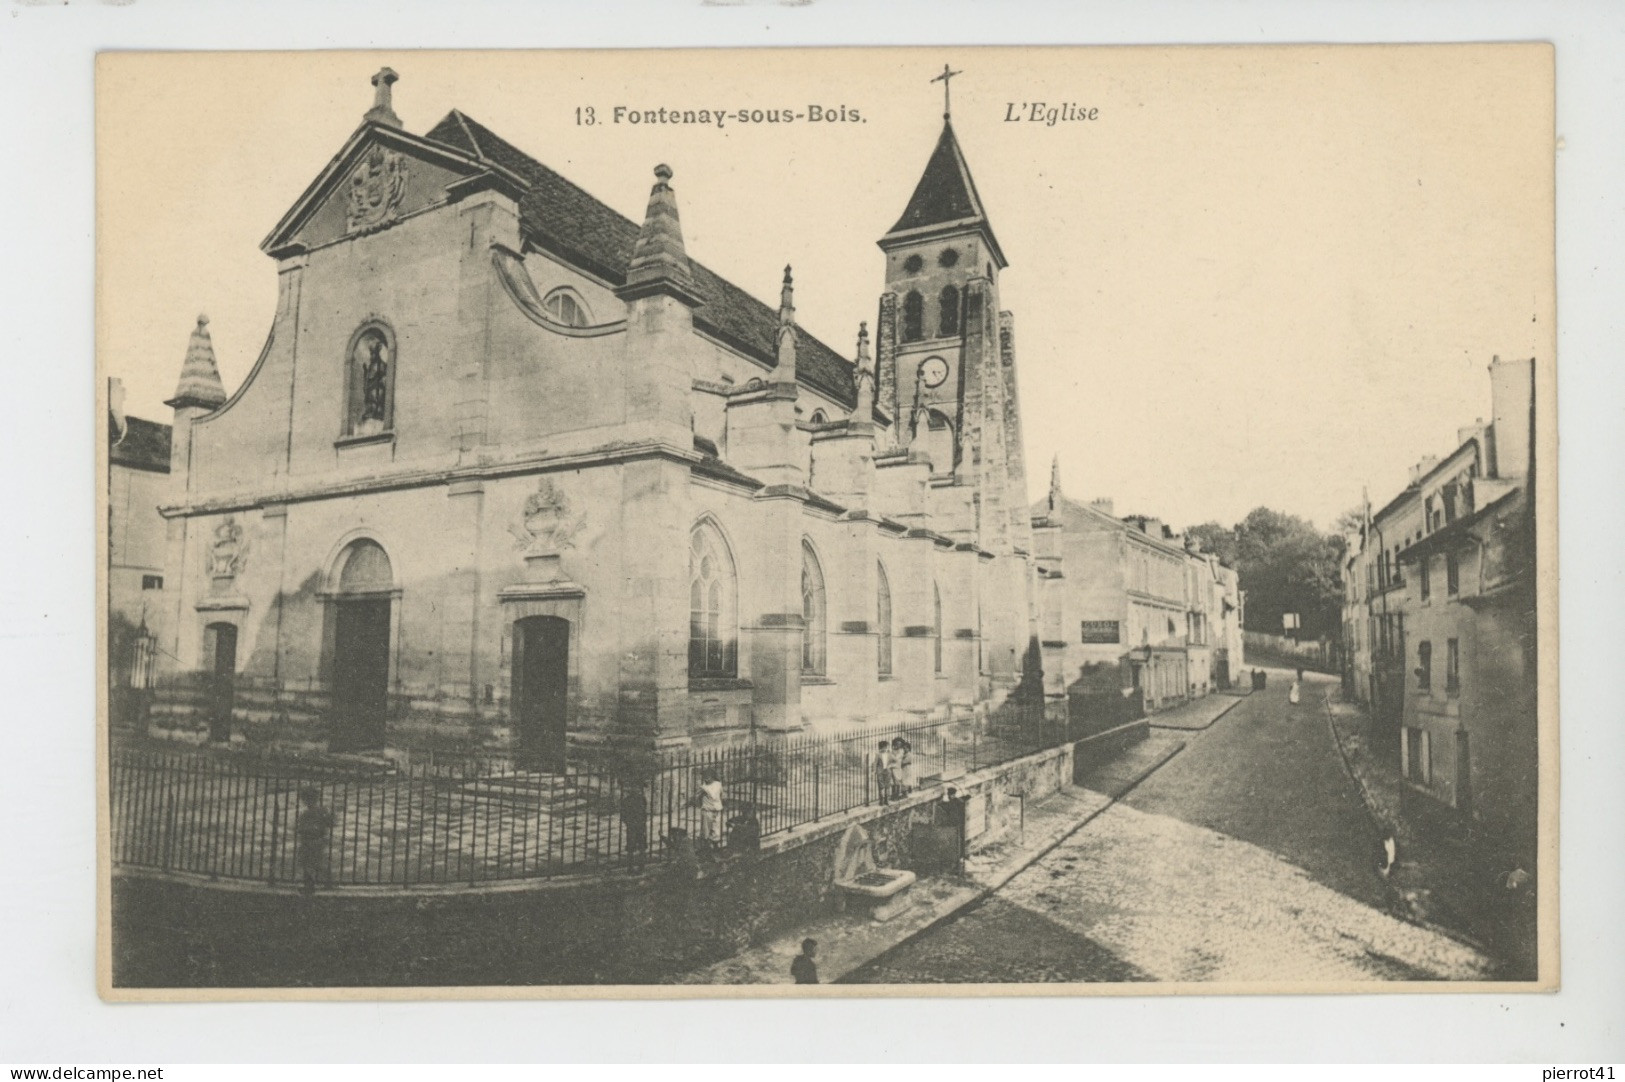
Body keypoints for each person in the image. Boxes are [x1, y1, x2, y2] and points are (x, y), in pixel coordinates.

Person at [295, 785, 335, 895]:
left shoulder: (306, 814)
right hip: (318, 840)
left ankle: (310, 886)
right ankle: (327, 882)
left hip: (309, 841)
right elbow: (330, 823)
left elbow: (302, 828)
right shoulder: (322, 810)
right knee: (316, 862)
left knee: (308, 864)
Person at [697, 771, 725, 849]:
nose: (706, 778)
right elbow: (697, 796)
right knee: (706, 829)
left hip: (716, 810)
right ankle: (706, 846)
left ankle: (715, 845)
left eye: (708, 776)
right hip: (707, 810)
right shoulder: (704, 786)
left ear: (712, 776)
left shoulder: (717, 784)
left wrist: (704, 788)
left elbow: (714, 795)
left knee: (716, 829)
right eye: (704, 776)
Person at [873, 740, 894, 805]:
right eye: (883, 747)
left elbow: (893, 761)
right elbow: (875, 763)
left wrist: (890, 766)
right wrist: (874, 771)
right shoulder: (878, 754)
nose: (885, 748)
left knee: (887, 786)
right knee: (881, 786)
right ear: (881, 748)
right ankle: (881, 800)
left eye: (886, 747)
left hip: (887, 771)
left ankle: (886, 800)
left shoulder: (889, 754)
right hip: (880, 772)